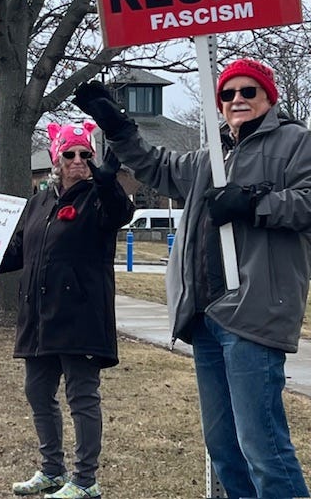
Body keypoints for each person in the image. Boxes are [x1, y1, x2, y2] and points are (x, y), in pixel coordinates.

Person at [72, 58, 311, 499]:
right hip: (205, 316)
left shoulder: (296, 142)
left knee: (263, 448)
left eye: (248, 91)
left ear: (269, 97)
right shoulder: (210, 157)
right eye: (228, 94)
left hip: (253, 312)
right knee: (224, 448)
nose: (237, 100)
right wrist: (117, 127)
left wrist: (253, 203)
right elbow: (156, 166)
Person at [0, 121, 133, 499]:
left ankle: (85, 480)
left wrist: (108, 182)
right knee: (37, 392)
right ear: (56, 159)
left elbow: (120, 213)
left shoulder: (98, 199)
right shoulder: (40, 202)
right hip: (39, 317)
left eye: (85, 154)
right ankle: (52, 470)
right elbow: (17, 251)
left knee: (82, 397)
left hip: (81, 316)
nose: (78, 160)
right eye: (70, 154)